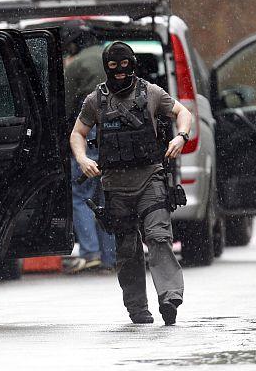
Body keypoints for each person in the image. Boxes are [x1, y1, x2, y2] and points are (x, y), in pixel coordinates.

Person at [70, 41, 192, 325]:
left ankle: (170, 297)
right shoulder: (95, 101)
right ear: (105, 68)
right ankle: (137, 307)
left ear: (133, 64)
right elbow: (78, 132)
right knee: (127, 250)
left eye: (124, 65)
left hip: (150, 179)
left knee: (159, 238)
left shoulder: (150, 93)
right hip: (115, 187)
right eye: (113, 67)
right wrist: (82, 159)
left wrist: (181, 137)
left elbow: (182, 112)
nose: (120, 72)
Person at [62, 28, 116, 273]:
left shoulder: (77, 65)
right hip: (117, 132)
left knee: (81, 193)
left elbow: (65, 103)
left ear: (73, 46)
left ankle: (90, 252)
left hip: (91, 130)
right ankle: (111, 257)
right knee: (108, 194)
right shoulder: (112, 56)